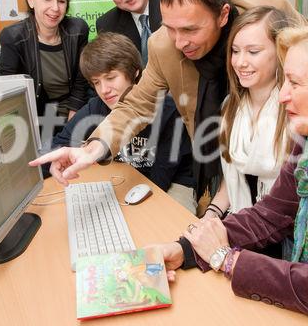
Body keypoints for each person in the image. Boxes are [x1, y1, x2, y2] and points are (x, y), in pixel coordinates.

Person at [158, 17, 308, 325]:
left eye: (295, 82)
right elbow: (270, 215)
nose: (281, 95)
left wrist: (228, 259)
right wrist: (185, 250)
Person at [30, 0, 301, 211]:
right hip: (220, 149)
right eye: (170, 28)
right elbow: (136, 105)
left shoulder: (271, 11)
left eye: (190, 30)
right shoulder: (163, 46)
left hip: (279, 144)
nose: (179, 42)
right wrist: (91, 149)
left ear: (222, 15)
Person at [43, 32, 196, 213]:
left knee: (164, 223)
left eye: (110, 78)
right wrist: (54, 161)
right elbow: (58, 145)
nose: (104, 90)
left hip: (172, 180)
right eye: (96, 82)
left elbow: (161, 177)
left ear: (134, 72)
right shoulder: (97, 107)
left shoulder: (168, 110)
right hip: (127, 178)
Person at [203, 6, 290, 219]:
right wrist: (210, 215)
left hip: (279, 230)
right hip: (241, 220)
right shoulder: (230, 107)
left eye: (253, 52)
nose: (240, 62)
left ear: (281, 51)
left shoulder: (293, 111)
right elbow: (232, 179)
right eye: (235, 50)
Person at [0, 0, 90, 126]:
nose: (55, 8)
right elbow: (8, 90)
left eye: (61, 1)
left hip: (77, 109)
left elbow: (83, 77)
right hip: (36, 117)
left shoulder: (78, 29)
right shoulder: (13, 37)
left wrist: (74, 113)